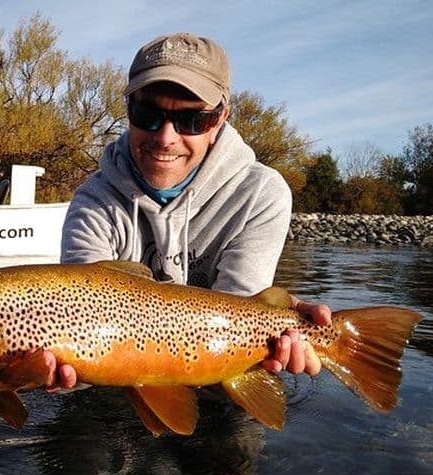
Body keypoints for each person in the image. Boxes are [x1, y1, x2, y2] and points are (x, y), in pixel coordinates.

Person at [46, 32, 331, 390]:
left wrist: (283, 321)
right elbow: (78, 331)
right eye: (147, 114)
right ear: (129, 109)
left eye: (192, 120)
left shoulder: (259, 194)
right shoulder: (94, 203)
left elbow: (236, 328)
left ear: (220, 119)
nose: (166, 138)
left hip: (220, 373)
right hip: (113, 387)